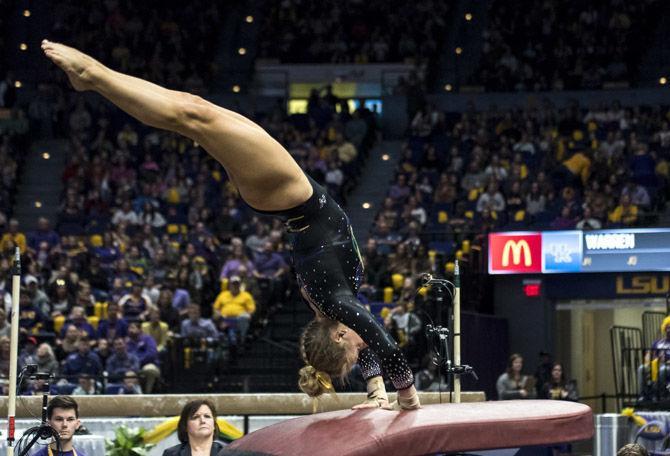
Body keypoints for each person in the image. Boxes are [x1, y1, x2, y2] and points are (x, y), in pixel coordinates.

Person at [42, 40, 419, 410]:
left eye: (353, 351)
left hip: (286, 192)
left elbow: (380, 341)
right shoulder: (337, 307)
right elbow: (369, 341)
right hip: (283, 195)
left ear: (339, 335)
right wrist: (375, 391)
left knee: (192, 117)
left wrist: (406, 393)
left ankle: (93, 76)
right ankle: (93, 78)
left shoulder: (337, 304)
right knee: (193, 112)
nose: (362, 348)